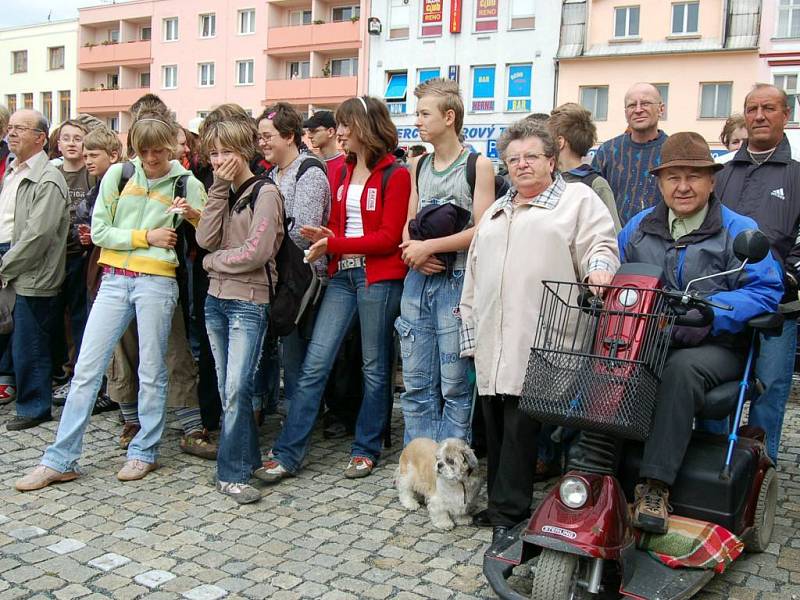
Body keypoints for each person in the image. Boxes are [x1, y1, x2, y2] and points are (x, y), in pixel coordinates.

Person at [15, 112, 207, 491]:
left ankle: (144, 451)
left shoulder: (187, 181)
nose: (151, 159)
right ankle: (60, 458)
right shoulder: (119, 176)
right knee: (86, 369)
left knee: (152, 370)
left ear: (171, 147)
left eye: (159, 151)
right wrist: (145, 236)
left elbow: (208, 233)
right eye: (145, 151)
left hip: (157, 281)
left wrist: (194, 215)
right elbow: (99, 231)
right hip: (115, 279)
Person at [460, 119, 619, 542]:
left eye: (531, 156)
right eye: (513, 159)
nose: (521, 165)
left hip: (549, 335)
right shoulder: (497, 209)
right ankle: (501, 505)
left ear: (551, 159)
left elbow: (600, 244)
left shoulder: (577, 200)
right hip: (495, 338)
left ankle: (509, 515)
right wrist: (470, 327)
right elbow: (474, 274)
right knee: (495, 426)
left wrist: (600, 273)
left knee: (519, 426)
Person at [618, 131, 783, 533]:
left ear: (712, 181)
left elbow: (766, 289)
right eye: (673, 177)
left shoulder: (738, 230)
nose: (684, 186)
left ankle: (654, 485)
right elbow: (620, 277)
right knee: (610, 362)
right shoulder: (639, 227)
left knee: (681, 369)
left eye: (694, 176)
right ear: (659, 182)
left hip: (717, 345)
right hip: (653, 338)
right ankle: (598, 471)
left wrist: (713, 312)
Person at [259, 95, 410, 482]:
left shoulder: (397, 173)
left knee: (375, 368)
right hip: (344, 273)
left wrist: (335, 243)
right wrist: (330, 236)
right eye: (339, 124)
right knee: (315, 364)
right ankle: (288, 453)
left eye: (346, 124)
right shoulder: (341, 170)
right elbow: (346, 229)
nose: (339, 131)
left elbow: (388, 238)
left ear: (368, 127)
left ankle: (366, 448)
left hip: (377, 277)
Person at [397, 77, 495, 444]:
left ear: (449, 117)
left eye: (424, 113)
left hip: (457, 283)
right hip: (419, 281)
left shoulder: (478, 165)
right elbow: (409, 221)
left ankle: (451, 477)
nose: (417, 120)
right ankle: (419, 469)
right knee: (416, 383)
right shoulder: (418, 165)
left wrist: (430, 247)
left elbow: (483, 231)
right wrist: (414, 252)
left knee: (455, 387)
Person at [196, 106, 284, 504]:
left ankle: (230, 474)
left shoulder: (265, 193)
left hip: (248, 302)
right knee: (230, 389)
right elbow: (204, 238)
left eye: (226, 152)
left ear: (244, 151)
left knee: (237, 388)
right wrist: (216, 189)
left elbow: (255, 252)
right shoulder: (223, 190)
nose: (219, 161)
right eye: (213, 153)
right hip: (216, 301)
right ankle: (245, 459)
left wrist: (213, 262)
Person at [714, 84, 800, 465]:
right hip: (727, 301)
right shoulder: (723, 173)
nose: (760, 116)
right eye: (752, 109)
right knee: (721, 386)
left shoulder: (797, 176)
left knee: (771, 388)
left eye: (769, 108)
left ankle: (760, 470)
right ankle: (714, 460)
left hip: (780, 307)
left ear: (786, 115)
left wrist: (789, 276)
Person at [253, 103, 330, 420]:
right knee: (278, 350)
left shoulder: (308, 171)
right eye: (259, 137)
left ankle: (301, 420)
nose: (262, 143)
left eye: (267, 136)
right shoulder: (272, 173)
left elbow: (304, 231)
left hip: (300, 278)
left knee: (295, 353)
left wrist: (261, 244)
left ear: (288, 136)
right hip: (275, 275)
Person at [0, 109, 69, 430]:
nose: (11, 134)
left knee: (30, 341)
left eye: (20, 129)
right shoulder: (12, 171)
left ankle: (35, 406)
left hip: (31, 268)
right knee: (11, 337)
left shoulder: (48, 177)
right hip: (10, 258)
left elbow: (39, 234)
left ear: (41, 138)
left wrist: (5, 266)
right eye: (10, 128)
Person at [52, 119, 95, 401]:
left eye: (77, 138)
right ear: (57, 144)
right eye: (66, 138)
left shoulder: (90, 174)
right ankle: (62, 368)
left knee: (81, 315)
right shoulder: (52, 173)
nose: (71, 143)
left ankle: (79, 369)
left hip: (81, 255)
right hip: (54, 256)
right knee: (58, 316)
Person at [592, 83, 668, 225]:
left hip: (662, 242)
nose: (638, 110)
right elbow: (593, 202)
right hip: (614, 241)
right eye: (632, 105)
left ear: (661, 109)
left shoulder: (672, 151)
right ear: (626, 112)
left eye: (645, 103)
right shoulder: (607, 152)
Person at [548, 102, 621, 232]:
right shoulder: (548, 181)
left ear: (560, 142)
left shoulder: (596, 185)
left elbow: (614, 235)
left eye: (548, 140)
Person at [304, 110, 346, 192]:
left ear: (330, 132)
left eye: (314, 131)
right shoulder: (309, 162)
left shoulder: (346, 165)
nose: (309, 136)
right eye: (309, 131)